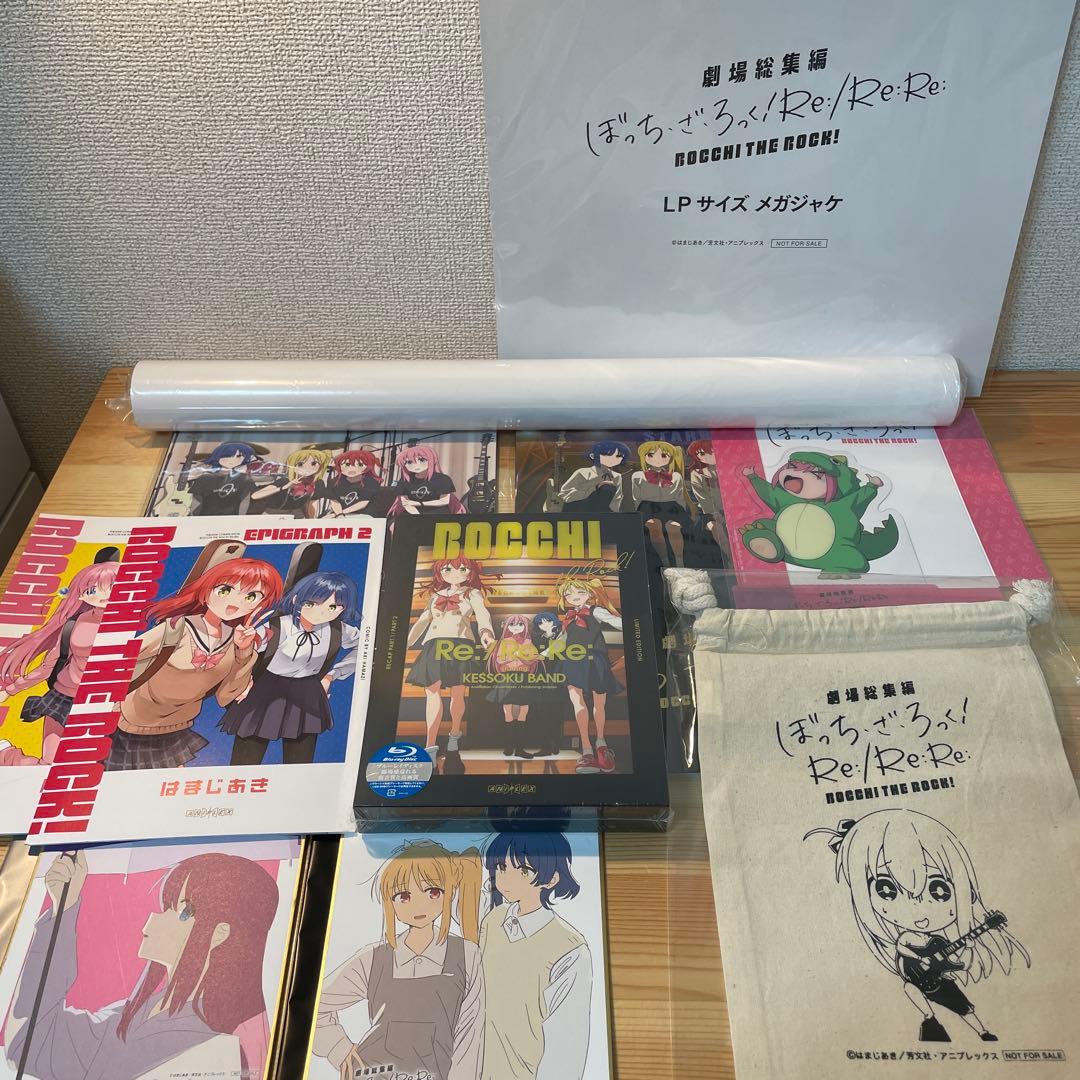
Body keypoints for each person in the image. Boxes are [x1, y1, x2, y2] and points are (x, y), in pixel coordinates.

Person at [4, 849, 279, 1080]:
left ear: (221, 933)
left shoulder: (220, 1045)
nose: (154, 920)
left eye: (183, 911)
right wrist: (64, 905)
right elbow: (28, 1043)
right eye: (165, 907)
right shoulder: (131, 1017)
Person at [805, 809, 1029, 1043]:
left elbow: (956, 960)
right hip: (918, 977)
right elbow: (902, 948)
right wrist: (920, 958)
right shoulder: (907, 937)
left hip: (939, 979)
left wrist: (969, 946)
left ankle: (984, 1033)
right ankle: (930, 1021)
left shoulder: (940, 941)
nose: (917, 908)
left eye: (938, 890)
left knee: (963, 1006)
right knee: (910, 988)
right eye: (886, 890)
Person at [314, 840, 484, 1080]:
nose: (419, 904)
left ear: (449, 892)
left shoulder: (467, 954)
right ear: (390, 902)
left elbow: (470, 1034)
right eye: (404, 896)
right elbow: (316, 1003)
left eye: (433, 892)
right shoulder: (374, 958)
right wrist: (338, 1048)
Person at [105, 557, 283, 771]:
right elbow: (122, 659)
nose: (236, 602)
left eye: (251, 596)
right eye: (226, 590)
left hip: (176, 724)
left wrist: (243, 652)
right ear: (206, 591)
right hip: (132, 718)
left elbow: (227, 696)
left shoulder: (237, 642)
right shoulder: (176, 629)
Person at [479, 832, 591, 1080]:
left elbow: (566, 1045)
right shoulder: (492, 921)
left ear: (551, 879)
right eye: (501, 867)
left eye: (524, 870)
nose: (506, 878)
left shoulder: (570, 949)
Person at [219, 570, 361, 765]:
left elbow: (365, 647)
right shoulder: (279, 626)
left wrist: (332, 676)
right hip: (267, 689)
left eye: (333, 607)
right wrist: (244, 650)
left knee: (300, 760)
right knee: (246, 757)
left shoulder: (339, 630)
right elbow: (251, 647)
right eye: (311, 603)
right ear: (296, 600)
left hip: (308, 692)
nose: (321, 612)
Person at [0, 559, 119, 761]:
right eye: (92, 590)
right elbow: (49, 665)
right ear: (80, 594)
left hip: (107, 702)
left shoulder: (136, 623)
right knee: (49, 764)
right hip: (63, 698)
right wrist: (11, 690)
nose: (103, 595)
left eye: (112, 587)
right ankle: (7, 755)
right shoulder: (74, 624)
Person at [405, 558, 495, 774]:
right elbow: (423, 620)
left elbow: (482, 613)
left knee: (457, 693)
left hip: (460, 644)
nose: (455, 573)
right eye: (448, 569)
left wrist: (486, 632)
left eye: (462, 569)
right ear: (440, 573)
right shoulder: (435, 595)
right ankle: (430, 750)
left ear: (470, 573)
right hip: (434, 644)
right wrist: (405, 643)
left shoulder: (471, 593)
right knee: (432, 691)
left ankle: (454, 740)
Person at [552, 574, 621, 775]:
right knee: (578, 703)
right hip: (572, 661)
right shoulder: (568, 617)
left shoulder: (595, 610)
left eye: (580, 592)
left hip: (595, 660)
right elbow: (560, 642)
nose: (574, 596)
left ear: (590, 594)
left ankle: (601, 744)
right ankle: (587, 750)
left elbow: (619, 623)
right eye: (569, 594)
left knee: (599, 704)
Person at [629, 440, 691, 567]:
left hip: (671, 507)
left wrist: (682, 511)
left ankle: (680, 562)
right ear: (644, 457)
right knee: (654, 526)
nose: (657, 459)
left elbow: (680, 497)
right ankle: (665, 562)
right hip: (648, 507)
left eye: (663, 455)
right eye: (650, 455)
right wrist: (638, 513)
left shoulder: (676, 476)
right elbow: (636, 497)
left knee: (673, 527)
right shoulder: (638, 476)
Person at [554, 441, 631, 512]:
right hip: (579, 509)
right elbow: (564, 494)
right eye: (607, 454)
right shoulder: (583, 472)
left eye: (619, 456)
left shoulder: (617, 476)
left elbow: (616, 499)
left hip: (603, 513)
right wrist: (594, 489)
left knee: (609, 488)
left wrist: (613, 515)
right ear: (593, 455)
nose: (613, 458)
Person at [186, 443, 261, 516]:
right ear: (218, 456)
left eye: (239, 456)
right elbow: (196, 502)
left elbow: (245, 501)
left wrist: (240, 519)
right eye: (228, 455)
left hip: (232, 520)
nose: (233, 459)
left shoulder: (244, 478)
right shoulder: (204, 479)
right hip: (205, 519)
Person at [388, 445, 465, 515]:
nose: (416, 465)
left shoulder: (443, 479)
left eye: (422, 460)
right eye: (409, 462)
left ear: (431, 460)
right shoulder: (404, 480)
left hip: (439, 514)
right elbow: (405, 503)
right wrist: (417, 515)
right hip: (412, 514)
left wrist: (419, 503)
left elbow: (444, 501)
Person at [326, 448, 384, 516]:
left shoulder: (371, 482)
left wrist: (342, 513)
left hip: (364, 514)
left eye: (360, 465)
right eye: (347, 464)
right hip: (339, 513)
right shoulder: (334, 481)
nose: (352, 469)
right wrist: (339, 514)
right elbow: (334, 501)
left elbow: (363, 503)